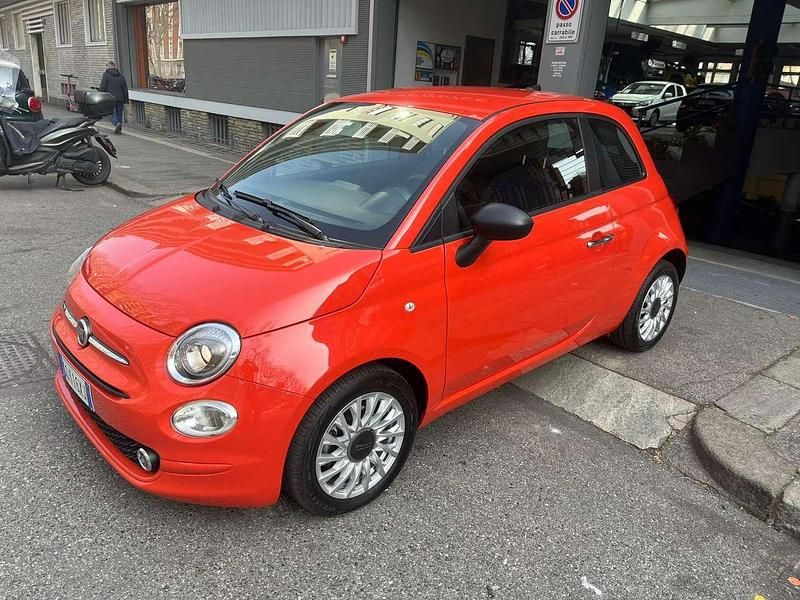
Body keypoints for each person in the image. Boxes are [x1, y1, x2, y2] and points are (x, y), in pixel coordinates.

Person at [99, 61, 129, 134]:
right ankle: (119, 127)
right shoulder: (121, 76)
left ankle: (116, 123)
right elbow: (125, 88)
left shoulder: (106, 75)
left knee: (109, 112)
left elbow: (103, 86)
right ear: (114, 66)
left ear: (108, 66)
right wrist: (126, 100)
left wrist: (100, 95)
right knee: (119, 113)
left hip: (110, 97)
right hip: (120, 97)